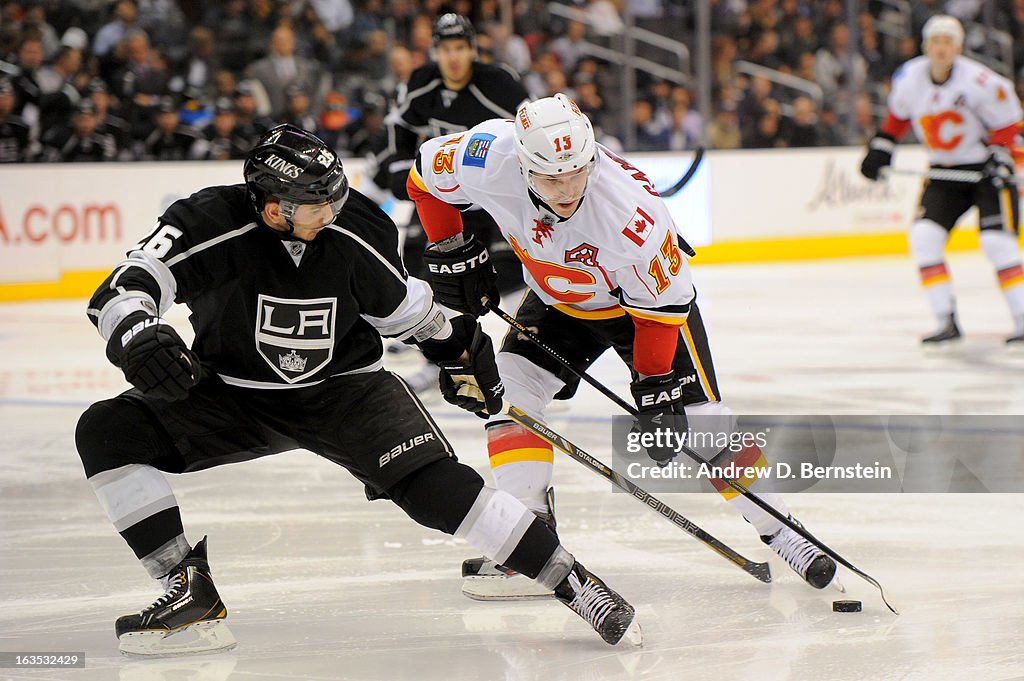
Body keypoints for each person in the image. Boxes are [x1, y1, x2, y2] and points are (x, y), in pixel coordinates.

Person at [74, 124, 641, 656]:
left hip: (347, 392)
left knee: (436, 490)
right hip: (231, 394)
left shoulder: (355, 226)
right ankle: (188, 589)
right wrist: (137, 333)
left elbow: (405, 311)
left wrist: (456, 346)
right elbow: (128, 284)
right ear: (274, 207)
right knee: (107, 431)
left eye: (337, 195)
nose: (334, 211)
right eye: (319, 204)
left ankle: (574, 582)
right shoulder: (208, 222)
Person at [406, 94, 838, 600]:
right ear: (522, 163)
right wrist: (450, 245)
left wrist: (654, 385)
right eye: (550, 178)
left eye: (576, 173)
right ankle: (531, 547)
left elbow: (662, 309)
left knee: (702, 426)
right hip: (556, 299)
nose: (567, 189)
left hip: (642, 315)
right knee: (509, 395)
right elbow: (423, 181)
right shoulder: (486, 154)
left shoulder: (631, 213)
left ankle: (783, 531)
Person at [376, 13, 530, 393]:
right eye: (446, 50)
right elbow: (400, 124)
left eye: (461, 48)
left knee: (517, 269)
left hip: (491, 201)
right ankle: (442, 354)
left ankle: (526, 353)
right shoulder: (420, 83)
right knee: (416, 266)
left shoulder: (500, 83)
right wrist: (398, 165)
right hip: (442, 199)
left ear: (473, 50)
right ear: (436, 52)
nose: (454, 58)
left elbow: (531, 126)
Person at [860, 15, 1024, 347]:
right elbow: (896, 120)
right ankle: (945, 320)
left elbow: (1010, 124)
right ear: (926, 45)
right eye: (936, 41)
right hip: (943, 172)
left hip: (985, 173)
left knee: (997, 243)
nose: (941, 48)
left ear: (958, 47)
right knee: (923, 238)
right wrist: (881, 148)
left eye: (948, 42)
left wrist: (1000, 153)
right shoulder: (910, 78)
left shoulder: (981, 81)